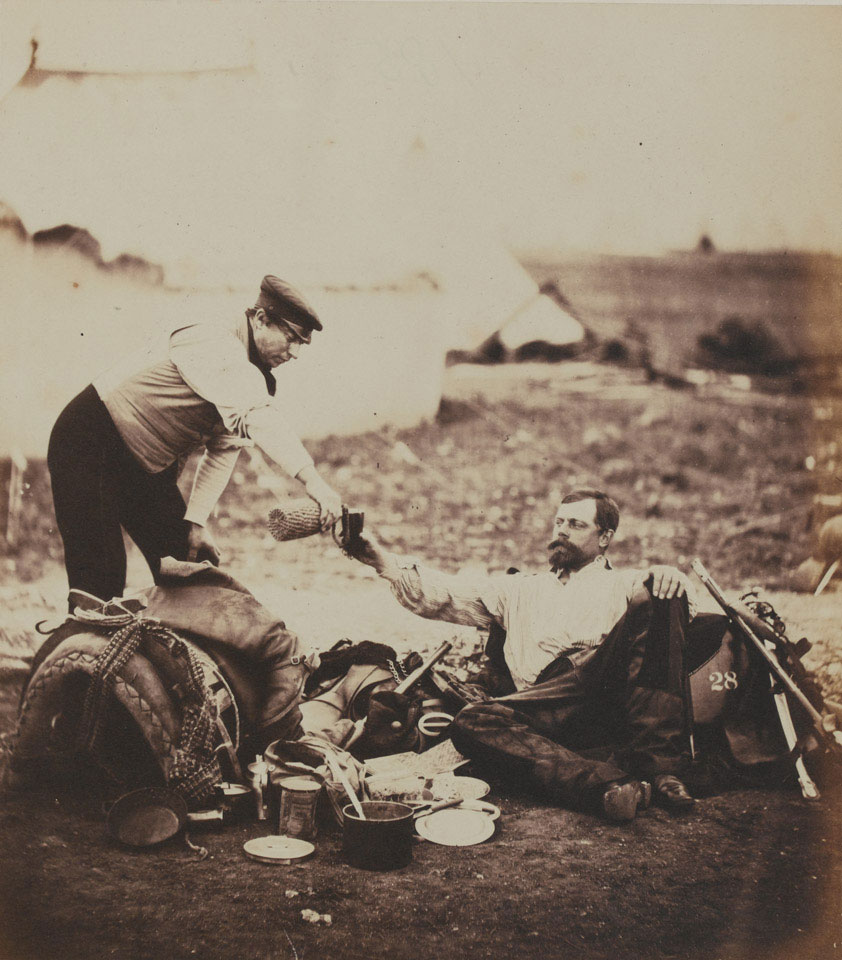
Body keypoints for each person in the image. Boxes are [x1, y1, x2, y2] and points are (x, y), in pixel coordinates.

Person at [347, 488, 697, 822]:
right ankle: (608, 786)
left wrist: (668, 577)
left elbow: (676, 624)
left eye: (576, 525)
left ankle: (661, 770)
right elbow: (445, 595)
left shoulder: (625, 584)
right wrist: (382, 561)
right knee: (471, 722)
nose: (562, 531)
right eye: (559, 522)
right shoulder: (520, 589)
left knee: (663, 594)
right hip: (541, 705)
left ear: (604, 538)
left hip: (602, 694)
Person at [48, 275, 343, 609]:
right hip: (90, 441)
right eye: (291, 338)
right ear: (261, 319)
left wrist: (197, 521)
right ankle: (81, 641)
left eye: (302, 344)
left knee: (189, 566)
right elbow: (258, 417)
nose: (295, 353)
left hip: (145, 467)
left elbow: (225, 448)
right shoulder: (215, 339)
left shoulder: (250, 370)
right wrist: (314, 482)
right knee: (100, 580)